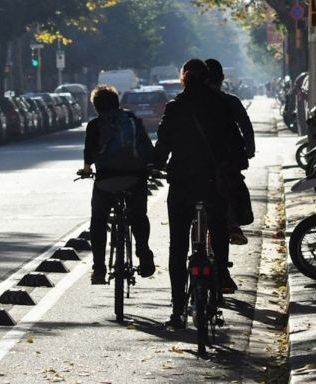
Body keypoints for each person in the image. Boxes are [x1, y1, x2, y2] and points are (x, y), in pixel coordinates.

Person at [153, 59, 248, 328]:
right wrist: (236, 163)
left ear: (183, 79)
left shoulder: (175, 107)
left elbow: (163, 144)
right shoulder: (220, 105)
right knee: (218, 230)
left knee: (178, 245)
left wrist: (154, 164)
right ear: (207, 78)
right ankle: (218, 287)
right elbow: (235, 141)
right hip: (212, 182)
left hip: (182, 183)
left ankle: (176, 309)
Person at [81, 85, 155, 284]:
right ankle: (144, 252)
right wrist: (151, 167)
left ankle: (98, 268)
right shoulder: (131, 120)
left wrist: (87, 169)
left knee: (98, 220)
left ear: (96, 107)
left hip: (106, 181)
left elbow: (89, 153)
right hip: (134, 178)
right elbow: (146, 147)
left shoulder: (94, 125)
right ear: (117, 102)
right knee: (138, 215)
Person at [205, 59, 255, 245]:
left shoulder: (187, 102)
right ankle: (232, 222)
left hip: (196, 162)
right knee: (232, 187)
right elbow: (246, 126)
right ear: (222, 79)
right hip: (228, 158)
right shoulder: (230, 101)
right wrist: (249, 149)